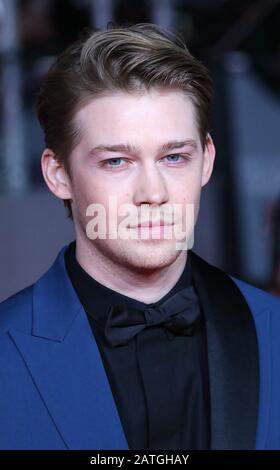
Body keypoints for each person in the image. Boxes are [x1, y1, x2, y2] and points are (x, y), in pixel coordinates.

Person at [0, 23, 279, 451]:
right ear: (59, 174)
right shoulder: (6, 350)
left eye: (173, 157)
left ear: (205, 162)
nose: (153, 194)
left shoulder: (273, 331)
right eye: (117, 161)